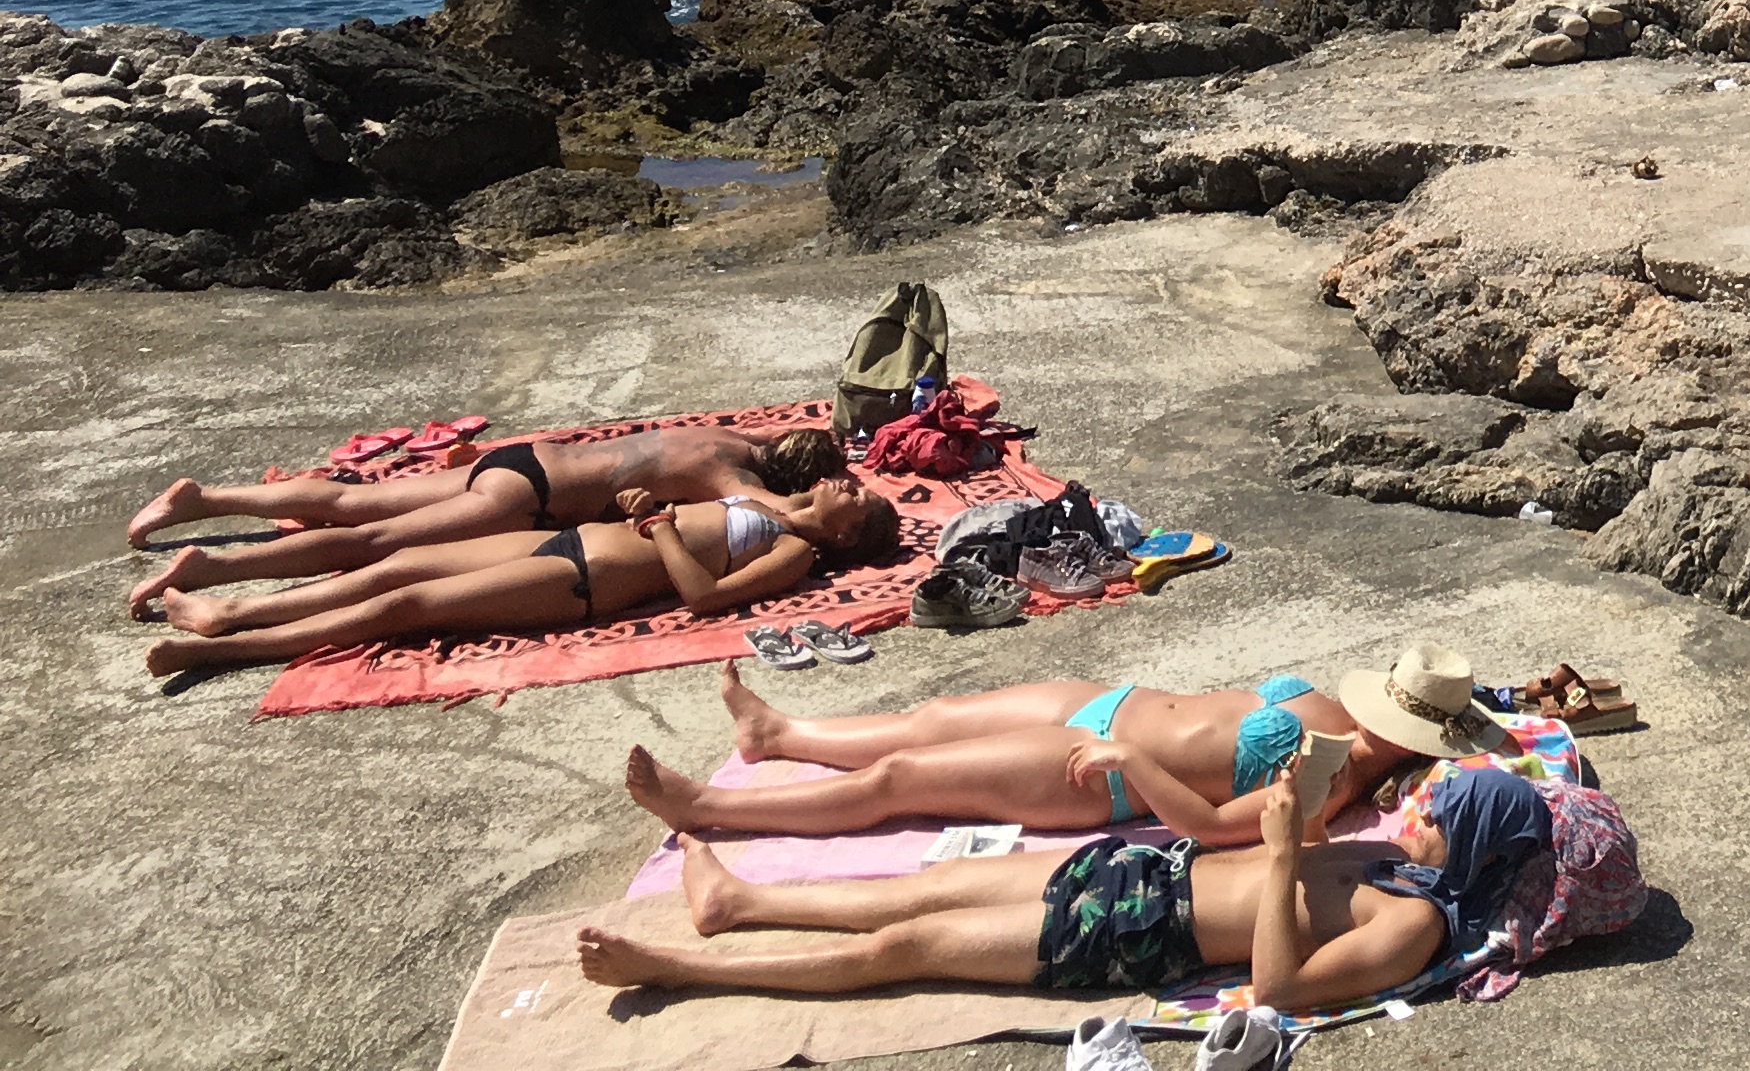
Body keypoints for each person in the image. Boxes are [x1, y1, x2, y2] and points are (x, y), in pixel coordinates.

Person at [577, 763, 1553, 1011]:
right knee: (928, 888)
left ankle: (675, 968)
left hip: (1138, 932)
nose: (1414, 800)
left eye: (1438, 802)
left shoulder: (1415, 923)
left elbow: (1284, 989)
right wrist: (1291, 813)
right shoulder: (1392, 859)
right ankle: (738, 903)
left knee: (902, 953)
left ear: (1469, 843)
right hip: (1142, 869)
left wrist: (1289, 857)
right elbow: (1265, 857)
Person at [621, 644, 1497, 847]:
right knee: (936, 713)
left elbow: (1215, 829)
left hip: (1101, 777)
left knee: (902, 777)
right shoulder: (1332, 710)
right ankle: (776, 733)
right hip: (1107, 704)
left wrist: (1136, 765)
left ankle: (712, 809)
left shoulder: (1330, 785)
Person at [142, 479, 897, 680]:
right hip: (567, 539)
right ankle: (235, 606)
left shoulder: (796, 555)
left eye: (857, 500)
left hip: (588, 578)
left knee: (404, 604)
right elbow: (800, 464)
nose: (848, 485)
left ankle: (221, 649)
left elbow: (702, 600)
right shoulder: (775, 506)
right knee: (397, 564)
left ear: (846, 534)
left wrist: (661, 527)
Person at [127, 420, 845, 607]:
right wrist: (826, 507)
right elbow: (780, 511)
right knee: (372, 542)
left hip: (524, 459)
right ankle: (218, 568)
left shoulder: (730, 438)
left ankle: (207, 500)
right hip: (525, 502)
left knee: (352, 501)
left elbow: (793, 446)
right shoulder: (731, 474)